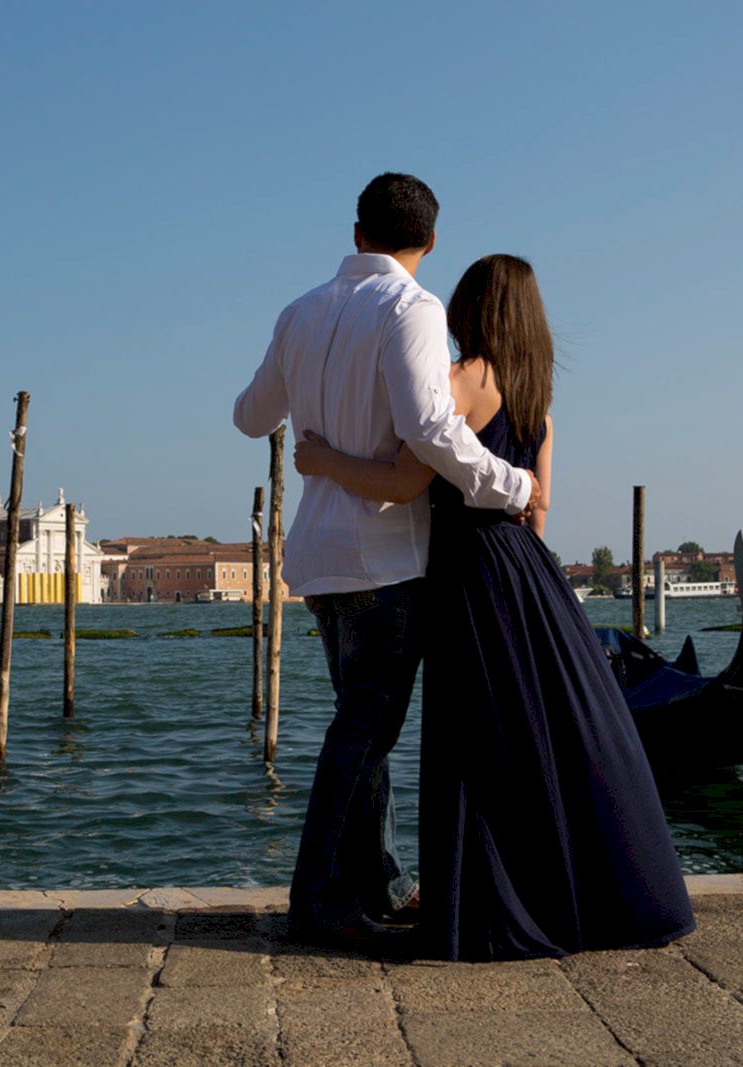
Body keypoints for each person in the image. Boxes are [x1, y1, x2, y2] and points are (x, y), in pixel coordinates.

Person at [293, 254, 695, 960]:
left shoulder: (463, 381)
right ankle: (571, 892)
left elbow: (405, 479)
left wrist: (322, 458)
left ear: (473, 308)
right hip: (529, 576)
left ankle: (472, 906)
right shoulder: (537, 399)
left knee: (473, 744)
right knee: (539, 740)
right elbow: (539, 509)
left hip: (468, 574)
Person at [233, 174, 536, 948]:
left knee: (362, 727)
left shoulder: (299, 312)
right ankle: (320, 901)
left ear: (357, 231)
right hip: (385, 557)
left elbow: (249, 416)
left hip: (319, 562)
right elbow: (431, 432)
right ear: (428, 244)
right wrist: (513, 483)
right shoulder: (414, 308)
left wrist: (312, 411)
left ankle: (381, 882)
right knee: (365, 730)